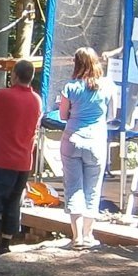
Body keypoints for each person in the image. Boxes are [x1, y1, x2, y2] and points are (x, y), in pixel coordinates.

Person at [52, 47, 120, 250]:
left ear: (77, 63)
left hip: (72, 139)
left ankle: (77, 237)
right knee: (92, 189)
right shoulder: (108, 85)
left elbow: (63, 116)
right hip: (97, 141)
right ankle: (89, 235)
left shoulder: (70, 87)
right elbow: (112, 114)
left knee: (73, 188)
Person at [0, 58, 43, 257]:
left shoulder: (3, 95)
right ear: (31, 77)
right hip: (23, 162)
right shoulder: (37, 99)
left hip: (0, 158)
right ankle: (6, 244)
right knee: (13, 202)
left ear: (14, 75)